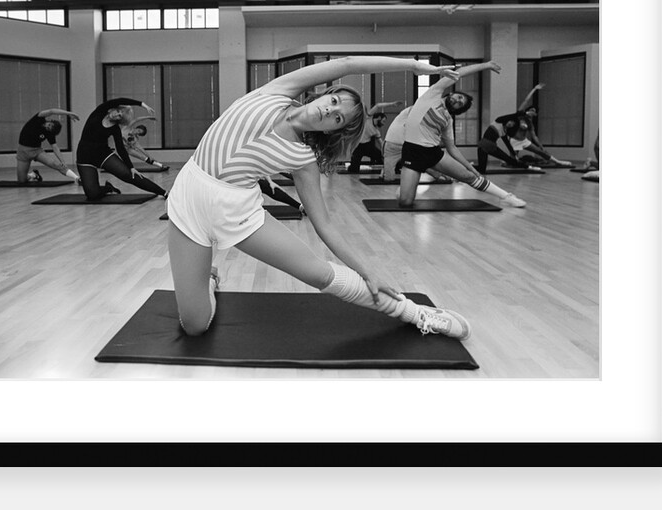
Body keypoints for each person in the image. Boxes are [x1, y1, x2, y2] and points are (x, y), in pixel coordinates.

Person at [166, 55, 472, 340]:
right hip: (189, 200)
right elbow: (348, 64)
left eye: (337, 119)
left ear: (332, 131)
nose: (330, 111)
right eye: (334, 101)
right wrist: (412, 65)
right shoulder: (275, 92)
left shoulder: (303, 158)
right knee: (195, 326)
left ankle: (415, 313)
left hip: (236, 212)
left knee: (318, 273)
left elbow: (323, 224)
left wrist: (366, 270)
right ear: (323, 95)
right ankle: (207, 278)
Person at [397, 60, 528, 209]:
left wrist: (469, 167)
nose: (458, 101)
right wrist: (486, 65)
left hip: (433, 153)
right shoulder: (433, 94)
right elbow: (459, 73)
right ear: (452, 93)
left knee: (469, 177)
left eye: (461, 103)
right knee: (405, 202)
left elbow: (451, 147)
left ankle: (507, 197)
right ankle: (404, 190)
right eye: (459, 97)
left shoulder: (447, 121)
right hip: (412, 151)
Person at [75, 98, 169, 201]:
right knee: (92, 195)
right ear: (114, 109)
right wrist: (142, 104)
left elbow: (121, 149)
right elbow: (120, 100)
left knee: (129, 176)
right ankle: (108, 188)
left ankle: (163, 192)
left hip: (103, 155)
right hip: (84, 157)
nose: (117, 114)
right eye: (118, 111)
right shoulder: (99, 112)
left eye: (120, 115)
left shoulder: (115, 129)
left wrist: (131, 167)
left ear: (120, 120)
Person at [493, 83, 574, 168]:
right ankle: (507, 162)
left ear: (535, 114)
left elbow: (534, 136)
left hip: (524, 141)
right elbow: (525, 100)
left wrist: (540, 146)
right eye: (531, 110)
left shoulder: (529, 123)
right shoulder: (519, 116)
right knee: (514, 162)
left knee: (540, 152)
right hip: (514, 141)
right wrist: (534, 89)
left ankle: (558, 162)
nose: (532, 111)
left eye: (534, 111)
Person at [381, 105, 452, 183]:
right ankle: (440, 175)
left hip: (396, 144)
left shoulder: (412, 116)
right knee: (390, 178)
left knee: (418, 162)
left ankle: (440, 175)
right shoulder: (413, 111)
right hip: (394, 145)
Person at [15, 108, 81, 184]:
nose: (47, 126)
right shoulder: (38, 119)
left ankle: (77, 178)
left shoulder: (49, 133)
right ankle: (33, 175)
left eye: (49, 128)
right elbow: (52, 111)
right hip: (23, 151)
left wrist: (62, 161)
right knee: (21, 180)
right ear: (50, 121)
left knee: (55, 164)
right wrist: (68, 113)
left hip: (37, 151)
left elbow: (55, 147)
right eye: (49, 125)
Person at [346, 100, 402, 172]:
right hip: (358, 146)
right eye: (383, 121)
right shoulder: (368, 118)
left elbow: (381, 143)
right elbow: (378, 105)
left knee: (381, 157)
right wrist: (392, 104)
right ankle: (352, 167)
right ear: (379, 118)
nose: (383, 124)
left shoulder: (376, 131)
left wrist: (385, 152)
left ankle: (396, 168)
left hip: (368, 146)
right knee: (354, 170)